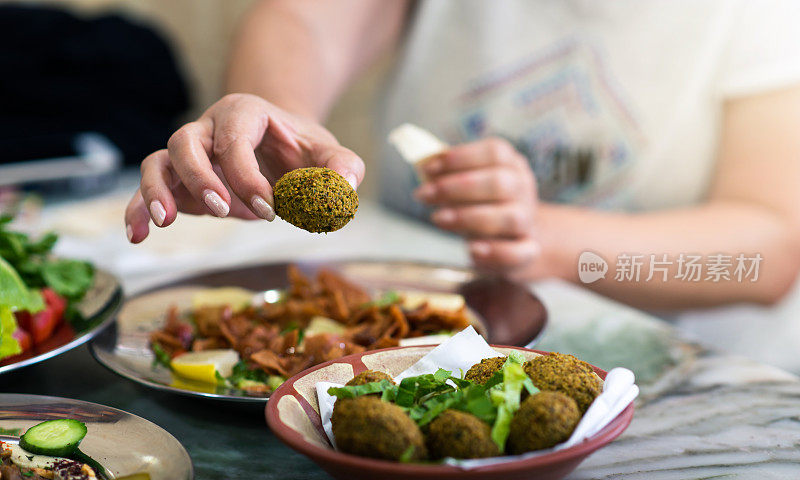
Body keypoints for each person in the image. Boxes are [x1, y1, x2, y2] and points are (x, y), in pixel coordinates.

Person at [124, 0, 800, 309]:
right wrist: (281, 124)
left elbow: (768, 251)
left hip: (674, 386)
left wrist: (549, 240)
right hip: (405, 321)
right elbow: (302, 18)